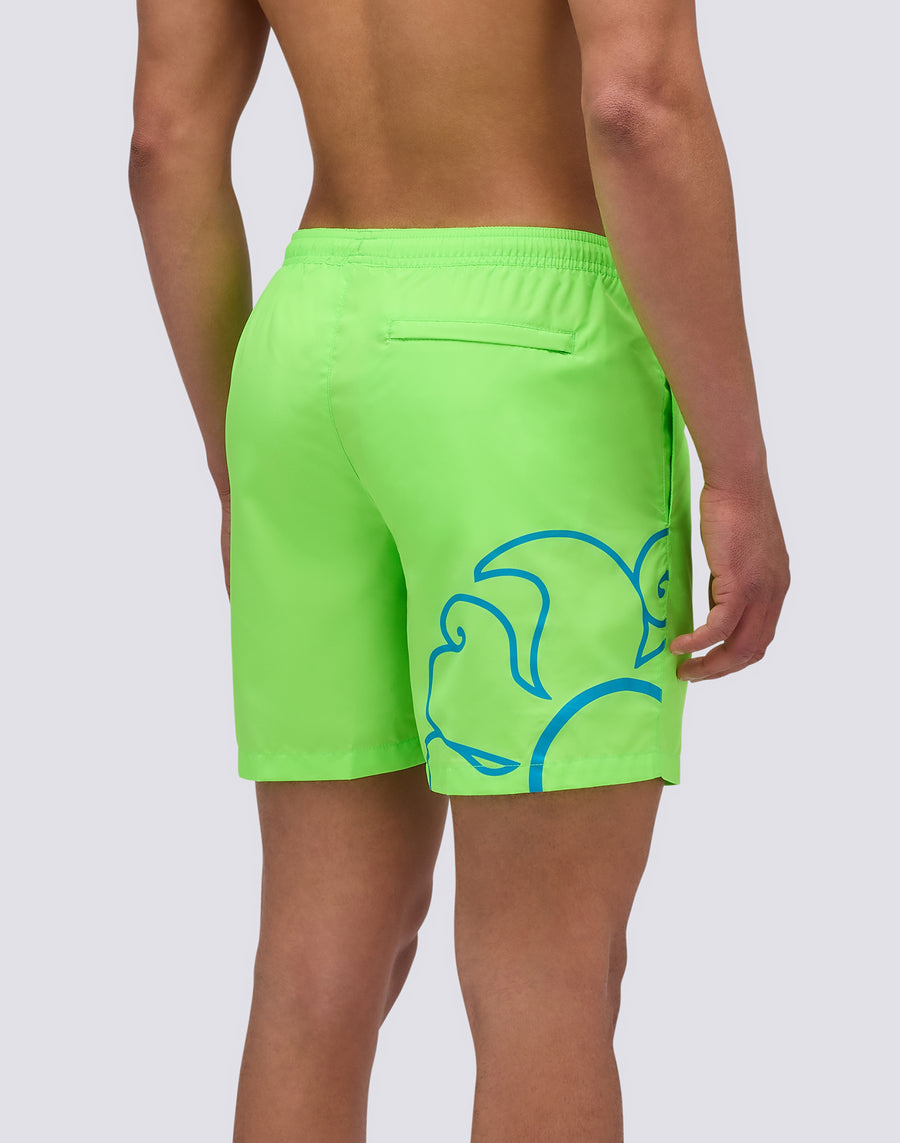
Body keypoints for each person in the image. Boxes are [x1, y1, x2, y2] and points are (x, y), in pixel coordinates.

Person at [128, 0, 790, 1138]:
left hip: (301, 361)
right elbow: (635, 103)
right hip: (526, 367)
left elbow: (165, 144)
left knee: (315, 972)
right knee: (547, 979)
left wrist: (238, 464)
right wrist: (737, 472)